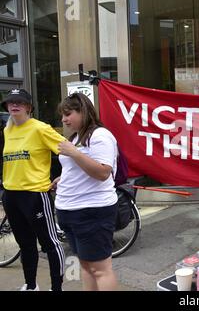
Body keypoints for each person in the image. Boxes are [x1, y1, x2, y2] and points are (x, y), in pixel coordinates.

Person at [1, 89, 66, 291]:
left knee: (50, 244)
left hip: (35, 195)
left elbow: (69, 150)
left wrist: (65, 177)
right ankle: (31, 286)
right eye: (10, 102)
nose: (14, 105)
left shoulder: (40, 128)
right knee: (25, 245)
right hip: (11, 195)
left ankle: (57, 288)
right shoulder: (7, 130)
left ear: (29, 107)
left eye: (19, 102)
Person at [54, 92, 119, 291]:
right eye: (62, 116)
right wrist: (62, 179)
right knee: (85, 265)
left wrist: (74, 153)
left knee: (100, 269)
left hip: (92, 211)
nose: (64, 119)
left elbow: (102, 172)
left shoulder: (100, 135)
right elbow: (76, 168)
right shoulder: (74, 138)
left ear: (83, 111)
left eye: (68, 114)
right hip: (69, 210)